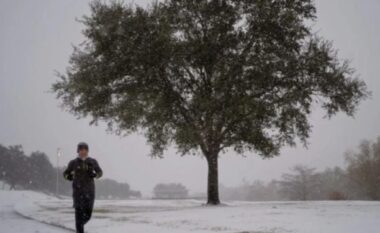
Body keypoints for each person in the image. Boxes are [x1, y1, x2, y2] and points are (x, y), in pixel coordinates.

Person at [63, 142, 103, 233]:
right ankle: (79, 229)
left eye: (85, 150)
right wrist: (69, 177)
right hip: (78, 193)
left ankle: (80, 226)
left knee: (88, 215)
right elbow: (65, 174)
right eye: (81, 150)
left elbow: (100, 172)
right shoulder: (73, 163)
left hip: (90, 192)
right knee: (79, 216)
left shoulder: (92, 161)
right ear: (78, 151)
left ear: (87, 151)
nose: (83, 152)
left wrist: (94, 175)